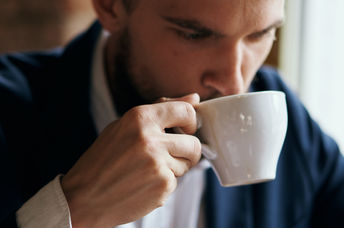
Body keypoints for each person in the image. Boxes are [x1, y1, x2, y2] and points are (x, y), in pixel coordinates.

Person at [1, 0, 344, 227]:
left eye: (261, 34)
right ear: (110, 5)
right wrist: (73, 210)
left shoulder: (289, 124)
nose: (235, 83)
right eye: (195, 34)